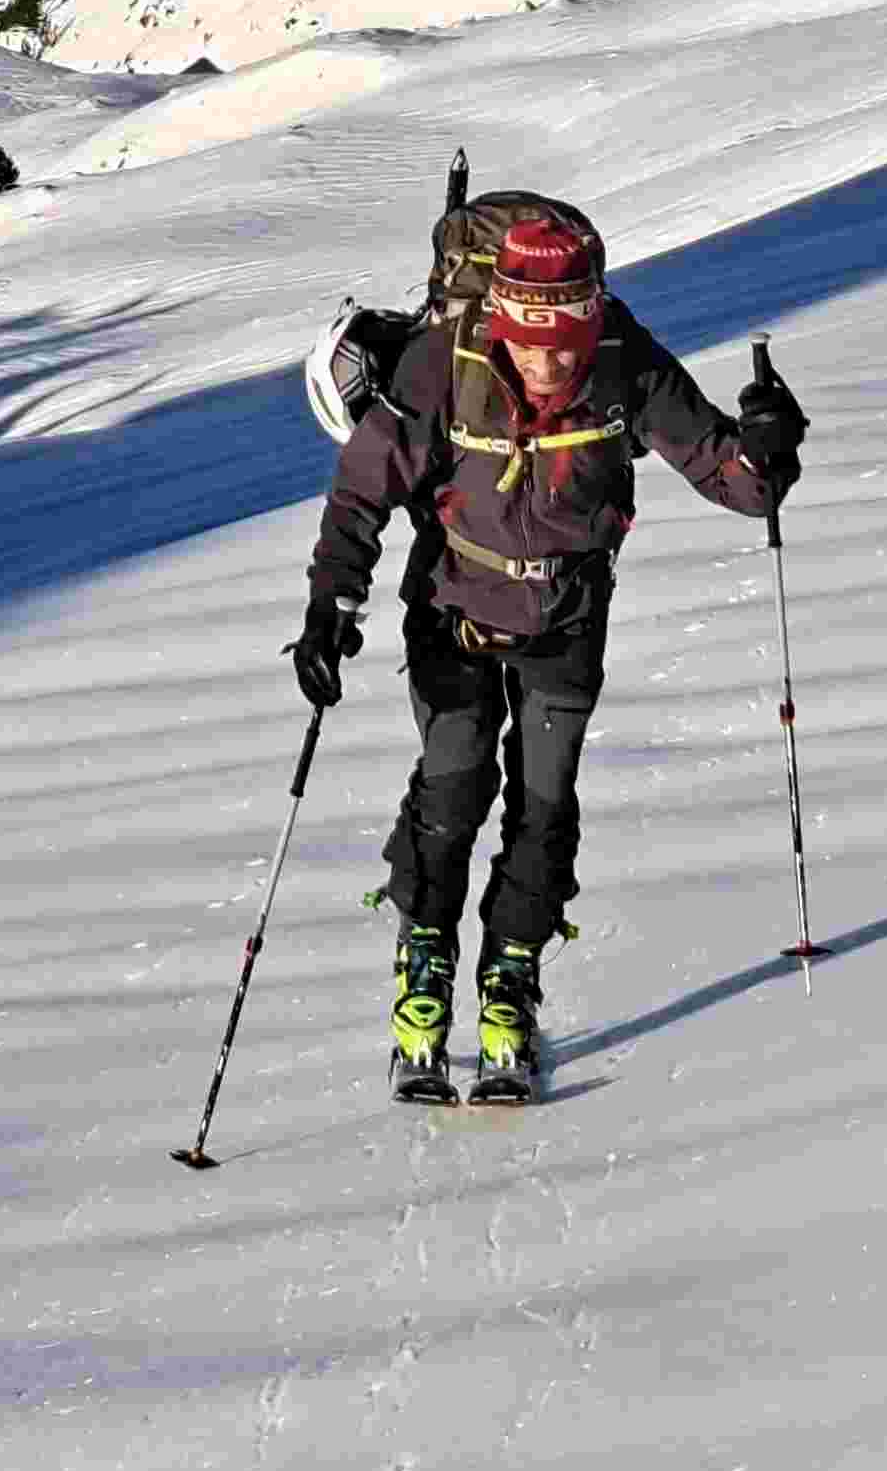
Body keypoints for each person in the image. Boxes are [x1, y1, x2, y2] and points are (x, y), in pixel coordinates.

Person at [290, 197, 804, 1096]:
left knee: (543, 804)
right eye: (532, 341)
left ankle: (510, 982)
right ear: (500, 321)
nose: (549, 359)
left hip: (567, 618)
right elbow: (362, 490)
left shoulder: (622, 361)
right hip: (452, 607)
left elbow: (735, 479)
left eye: (565, 340)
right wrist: (330, 606)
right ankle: (424, 966)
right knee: (451, 792)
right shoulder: (441, 365)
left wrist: (770, 444)